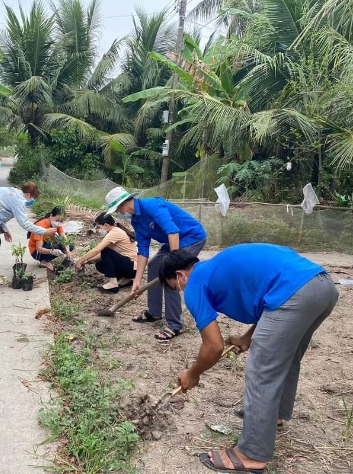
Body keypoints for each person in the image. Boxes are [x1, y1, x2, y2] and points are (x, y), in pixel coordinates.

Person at [157, 245, 339, 473]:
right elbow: (270, 300)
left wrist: (192, 374)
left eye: (177, 288)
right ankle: (275, 416)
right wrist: (246, 338)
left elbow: (214, 346)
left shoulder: (195, 282)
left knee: (261, 371)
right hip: (322, 285)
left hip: (294, 292)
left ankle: (251, 455)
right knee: (286, 356)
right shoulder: (215, 266)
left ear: (180, 275)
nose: (182, 291)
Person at [104, 186, 207, 341]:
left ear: (122, 206)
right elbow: (143, 250)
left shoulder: (153, 205)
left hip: (192, 237)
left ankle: (174, 325)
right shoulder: (137, 220)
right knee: (154, 266)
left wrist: (173, 265)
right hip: (172, 240)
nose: (118, 213)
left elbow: (172, 231)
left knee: (169, 275)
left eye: (117, 209)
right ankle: (155, 312)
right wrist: (137, 281)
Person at [0, 183, 56, 285]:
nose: (33, 201)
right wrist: (45, 231)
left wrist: (4, 230)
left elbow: (0, 210)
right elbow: (25, 224)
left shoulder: (15, 193)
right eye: (33, 197)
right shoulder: (18, 200)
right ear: (28, 195)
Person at [73, 212, 137, 293]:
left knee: (105, 250)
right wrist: (86, 261)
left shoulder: (114, 232)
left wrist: (80, 260)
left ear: (106, 225)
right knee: (100, 264)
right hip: (132, 268)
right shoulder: (116, 230)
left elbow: (97, 250)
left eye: (99, 227)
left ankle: (113, 284)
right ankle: (126, 281)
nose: (98, 230)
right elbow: (104, 256)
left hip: (131, 267)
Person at [28, 206, 74, 271]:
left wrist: (68, 251)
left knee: (70, 245)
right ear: (51, 216)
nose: (59, 223)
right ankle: (44, 261)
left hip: (47, 245)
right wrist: (52, 251)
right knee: (54, 246)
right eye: (57, 220)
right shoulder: (40, 226)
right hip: (36, 252)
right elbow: (39, 248)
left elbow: (64, 239)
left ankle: (51, 259)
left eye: (61, 221)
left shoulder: (57, 225)